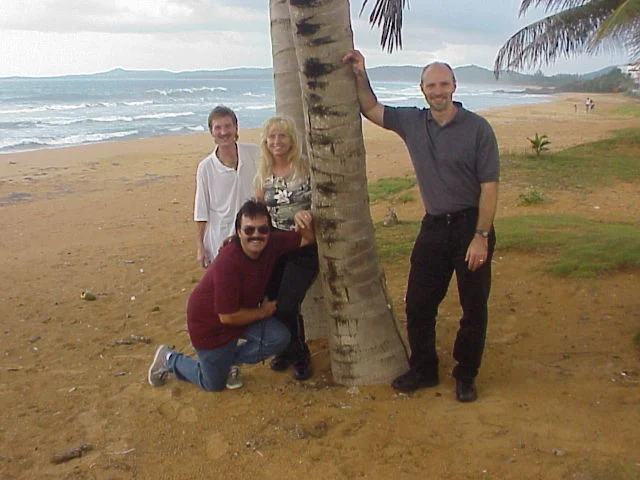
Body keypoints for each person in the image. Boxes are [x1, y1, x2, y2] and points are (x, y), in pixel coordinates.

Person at [344, 50, 499, 403]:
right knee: (418, 304)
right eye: (431, 85)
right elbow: (371, 109)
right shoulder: (413, 122)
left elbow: (490, 187)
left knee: (474, 307)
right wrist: (360, 73)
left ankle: (465, 374)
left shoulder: (478, 128)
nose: (438, 90)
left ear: (454, 86)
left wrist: (481, 236)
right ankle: (425, 369)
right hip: (434, 228)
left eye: (444, 84)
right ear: (422, 89)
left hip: (470, 226)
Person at [148, 200, 316, 392]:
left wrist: (303, 220)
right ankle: (169, 358)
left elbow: (306, 240)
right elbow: (226, 317)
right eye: (249, 230)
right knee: (212, 384)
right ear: (238, 231)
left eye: (263, 229)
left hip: (240, 315)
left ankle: (224, 362)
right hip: (210, 325)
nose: (256, 235)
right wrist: (262, 312)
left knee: (278, 338)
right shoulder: (228, 263)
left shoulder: (271, 244)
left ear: (270, 231)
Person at [254, 116, 318, 381]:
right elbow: (259, 211)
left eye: (282, 136)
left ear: (291, 140)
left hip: (304, 243)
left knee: (289, 302)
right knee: (271, 300)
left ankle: (300, 356)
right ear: (266, 142)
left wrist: (310, 215)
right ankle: (286, 349)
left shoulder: (304, 168)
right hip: (275, 245)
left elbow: (323, 200)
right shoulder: (262, 174)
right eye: (272, 137)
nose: (277, 142)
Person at [194, 105, 258, 268]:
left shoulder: (255, 154)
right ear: (211, 132)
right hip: (220, 239)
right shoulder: (206, 167)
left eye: (228, 126)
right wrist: (200, 246)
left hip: (252, 235)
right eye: (218, 127)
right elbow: (201, 211)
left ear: (236, 127)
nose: (224, 132)